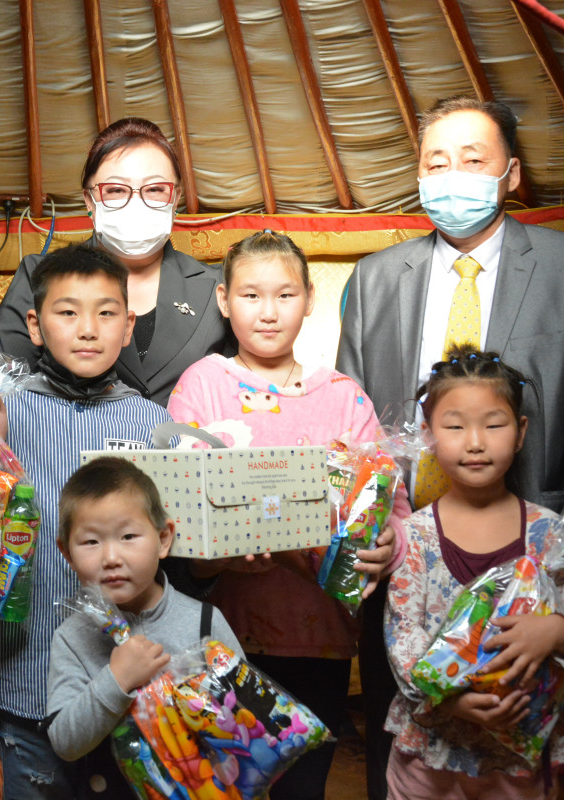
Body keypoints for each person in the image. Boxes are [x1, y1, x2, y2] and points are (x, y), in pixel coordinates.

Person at [335, 94, 564, 800]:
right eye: (437, 162)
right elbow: (354, 422)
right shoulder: (375, 277)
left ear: (511, 174)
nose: (453, 175)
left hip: (528, 562)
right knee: (403, 744)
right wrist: (367, 534)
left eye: (473, 159)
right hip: (404, 559)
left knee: (514, 744)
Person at [166, 230, 411, 800]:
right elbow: (173, 508)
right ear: (224, 300)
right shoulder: (202, 385)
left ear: (309, 298)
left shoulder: (344, 397)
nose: (269, 312)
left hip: (318, 638)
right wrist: (211, 558)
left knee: (303, 786)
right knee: (222, 784)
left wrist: (388, 546)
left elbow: (391, 506)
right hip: (221, 635)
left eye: (285, 295)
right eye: (251, 296)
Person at [0, 243, 173, 799]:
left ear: (128, 326)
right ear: (34, 325)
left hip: (125, 678)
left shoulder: (155, 424)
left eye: (106, 313)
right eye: (68, 311)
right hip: (26, 670)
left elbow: (170, 547)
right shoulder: (3, 410)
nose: (88, 329)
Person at [384, 347, 564, 798]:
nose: (475, 442)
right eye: (455, 426)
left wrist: (558, 631)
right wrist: (453, 699)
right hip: (428, 761)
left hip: (518, 764)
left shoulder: (550, 532)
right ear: (428, 435)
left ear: (521, 432)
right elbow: (402, 637)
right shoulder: (414, 535)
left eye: (493, 425)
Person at [0, 117, 235, 407]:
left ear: (176, 197)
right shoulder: (40, 276)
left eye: (155, 189)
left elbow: (243, 390)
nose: (136, 203)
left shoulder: (218, 286)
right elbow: (1, 394)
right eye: (116, 190)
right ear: (89, 200)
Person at [45, 456, 244, 797]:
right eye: (91, 542)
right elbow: (65, 742)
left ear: (163, 539)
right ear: (67, 553)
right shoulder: (71, 638)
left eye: (128, 536)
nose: (111, 557)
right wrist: (117, 679)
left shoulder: (205, 622)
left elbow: (246, 715)